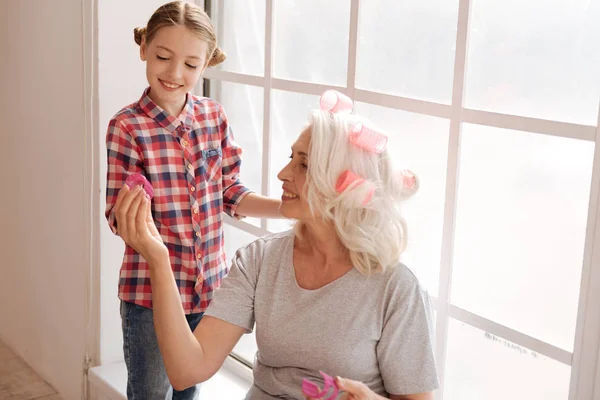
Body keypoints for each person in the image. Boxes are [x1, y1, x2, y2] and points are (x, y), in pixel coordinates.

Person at [113, 90, 439, 400]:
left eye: (304, 164)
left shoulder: (396, 286)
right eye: (290, 158)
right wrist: (158, 258)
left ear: (344, 185)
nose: (283, 173)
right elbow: (187, 370)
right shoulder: (260, 259)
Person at [104, 2, 281, 399]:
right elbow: (118, 219)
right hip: (149, 299)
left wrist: (288, 208)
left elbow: (229, 192)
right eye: (163, 57)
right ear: (144, 47)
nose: (174, 73)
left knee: (189, 391)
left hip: (208, 294)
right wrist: (130, 215)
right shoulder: (127, 126)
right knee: (149, 394)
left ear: (207, 64)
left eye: (190, 64)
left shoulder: (214, 117)